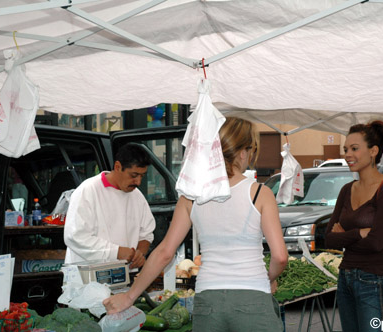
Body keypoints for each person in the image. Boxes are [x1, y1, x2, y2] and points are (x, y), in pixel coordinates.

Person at [104, 117, 288, 332]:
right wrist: (269, 278)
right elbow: (280, 257)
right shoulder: (260, 193)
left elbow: (164, 252)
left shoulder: (190, 196)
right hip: (252, 297)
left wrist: (129, 296)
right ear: (243, 152)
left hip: (207, 300)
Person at [325, 120, 383, 332]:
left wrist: (345, 235)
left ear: (373, 151)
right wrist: (359, 233)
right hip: (345, 278)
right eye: (346, 149)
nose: (348, 154)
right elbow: (328, 238)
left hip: (374, 279)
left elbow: (377, 243)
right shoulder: (346, 190)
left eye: (355, 149)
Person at [64, 142, 156, 269]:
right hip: (86, 279)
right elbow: (75, 236)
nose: (138, 182)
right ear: (118, 167)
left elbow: (146, 233)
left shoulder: (137, 196)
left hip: (125, 276)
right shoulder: (88, 190)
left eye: (142, 176)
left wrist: (140, 253)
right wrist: (116, 252)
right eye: (133, 175)